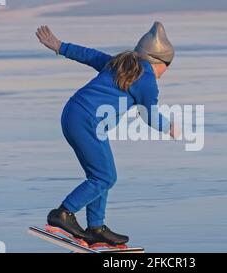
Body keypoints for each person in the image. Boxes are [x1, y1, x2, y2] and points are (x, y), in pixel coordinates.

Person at [36, 22, 180, 246]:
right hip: (86, 121)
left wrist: (60, 46)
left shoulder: (120, 64)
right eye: (167, 65)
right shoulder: (147, 80)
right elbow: (149, 114)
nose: (166, 71)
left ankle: (96, 228)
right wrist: (169, 127)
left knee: (99, 176)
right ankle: (62, 214)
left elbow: (89, 55)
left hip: (73, 114)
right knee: (105, 177)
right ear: (158, 61)